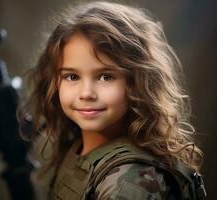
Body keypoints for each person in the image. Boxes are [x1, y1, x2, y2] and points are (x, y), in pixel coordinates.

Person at [20, 1, 206, 199]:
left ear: (136, 82)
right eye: (72, 77)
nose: (86, 93)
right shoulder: (78, 147)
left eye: (105, 77)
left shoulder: (132, 182)